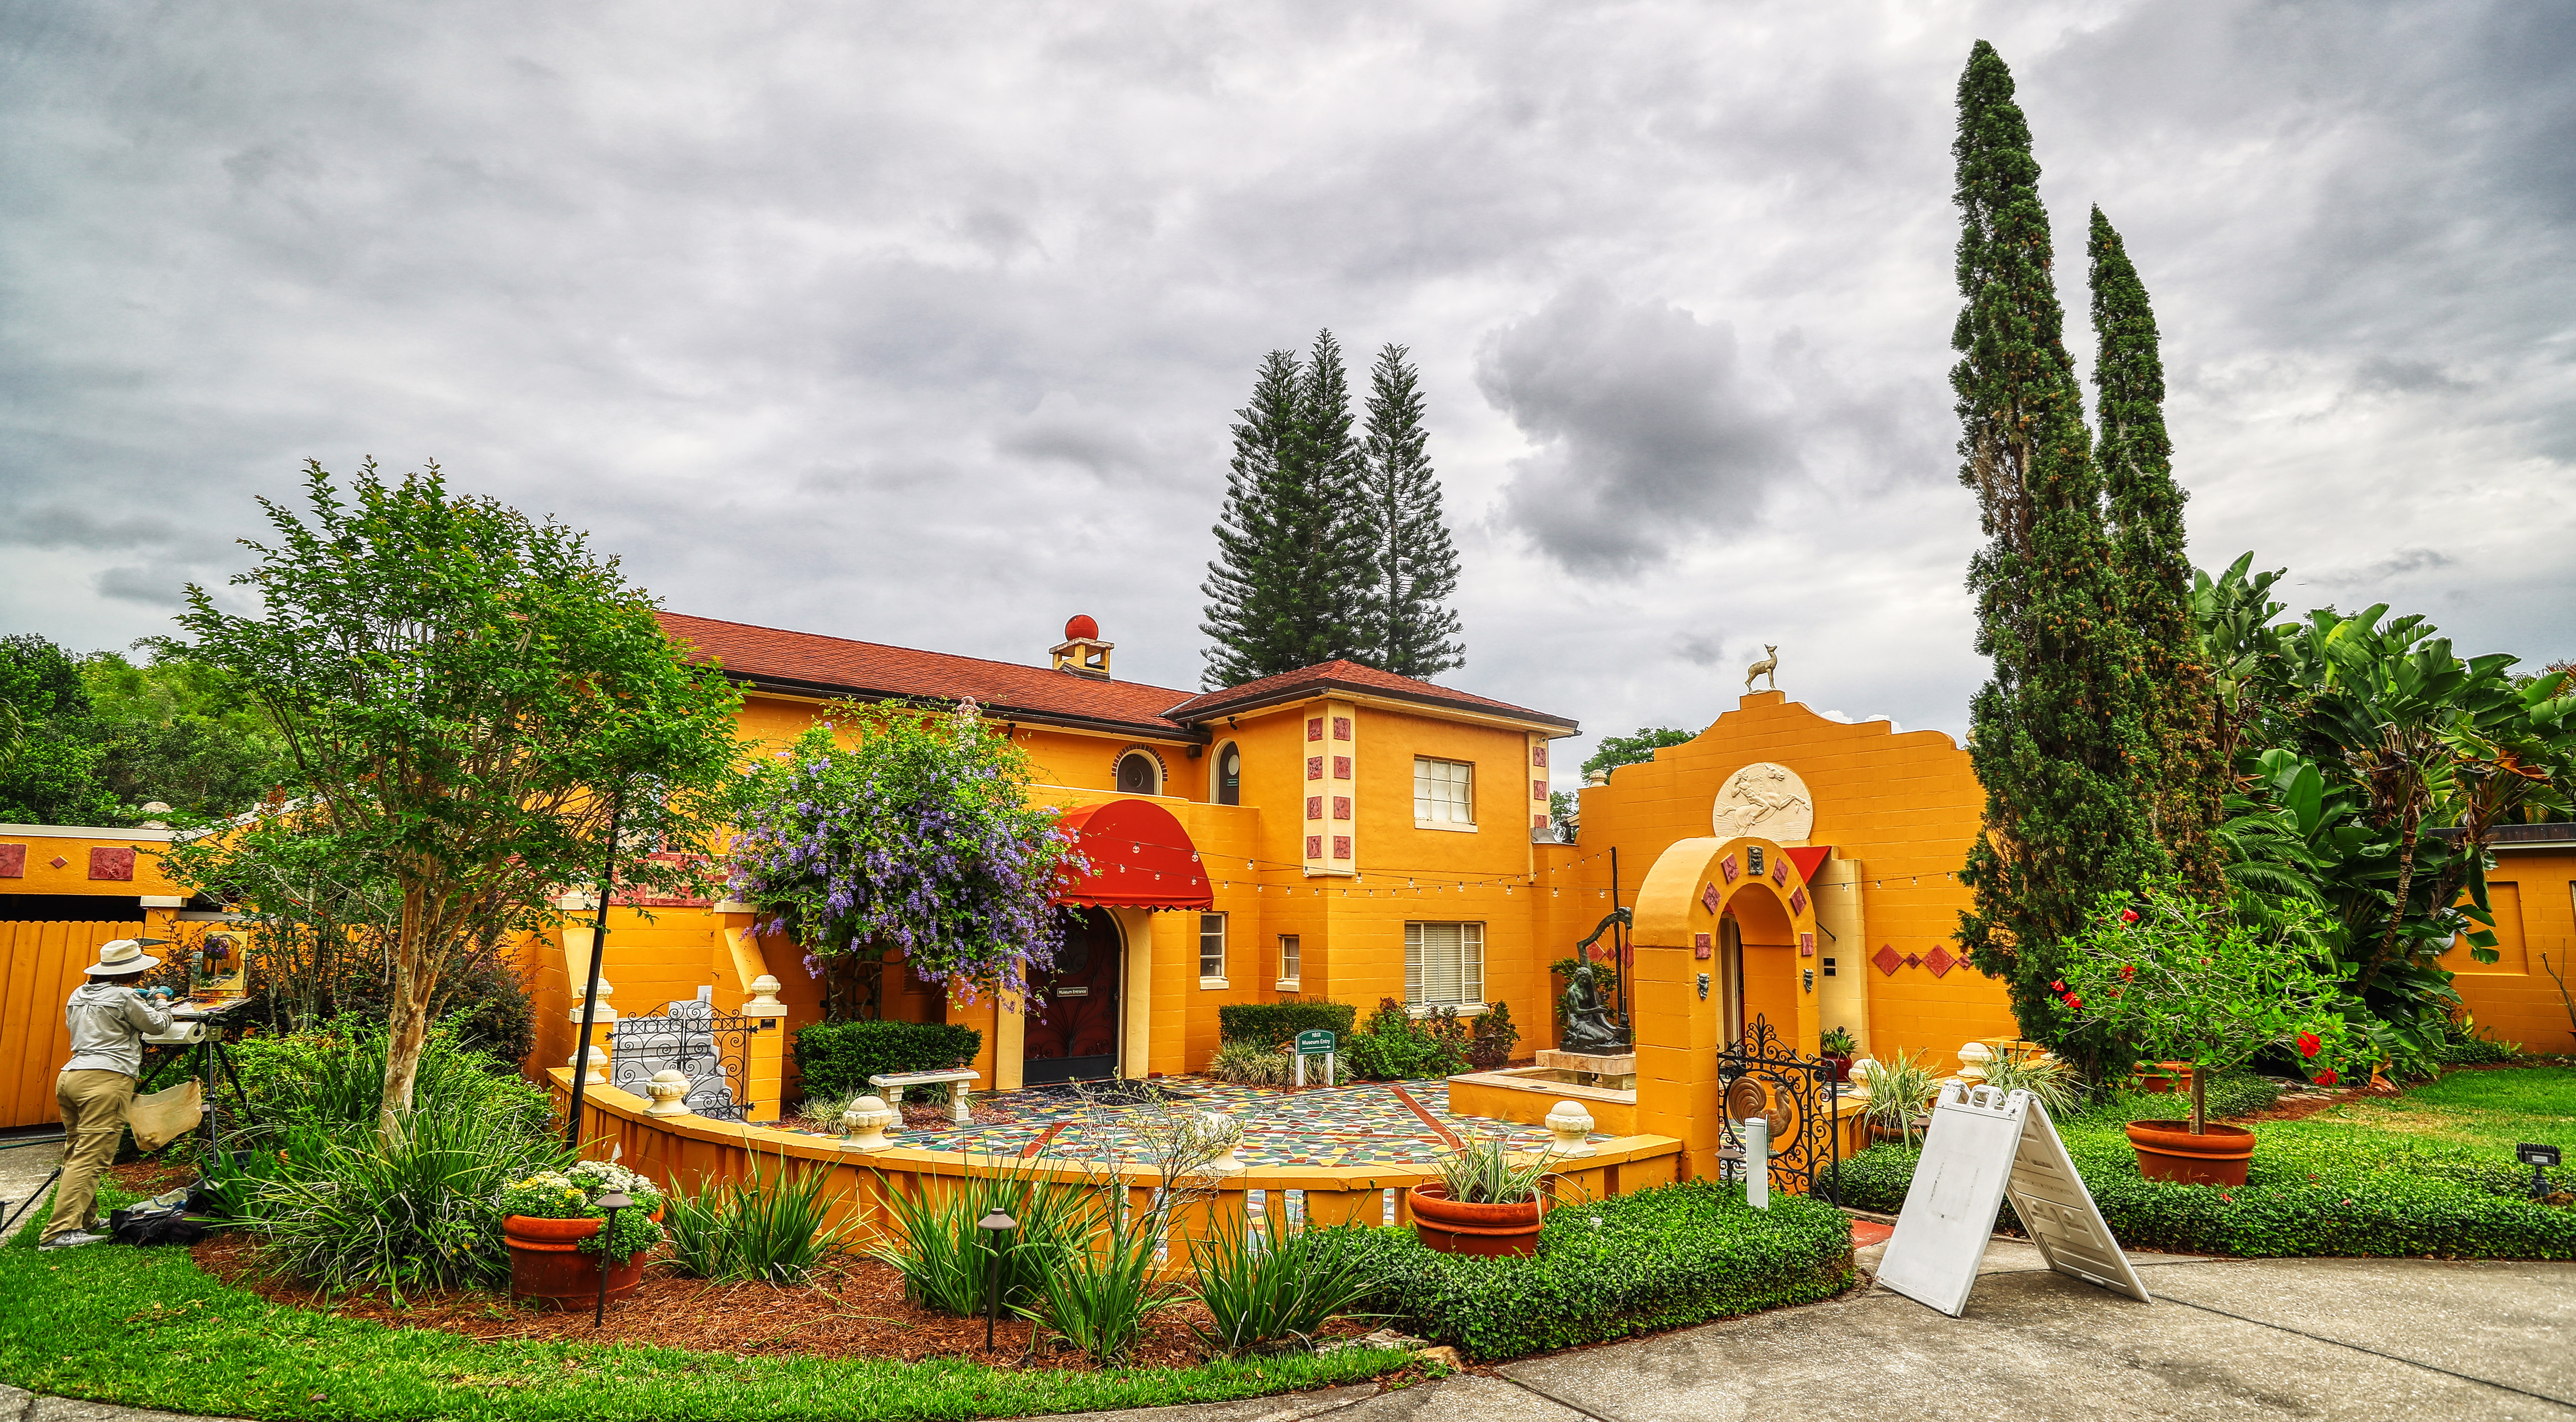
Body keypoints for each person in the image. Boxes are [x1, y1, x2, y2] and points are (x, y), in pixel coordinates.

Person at [41, 937, 174, 1250]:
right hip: (106, 1080)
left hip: (71, 1076)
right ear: (131, 972)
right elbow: (158, 1026)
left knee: (77, 1151)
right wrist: (160, 1000)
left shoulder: (79, 993)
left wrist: (136, 1001)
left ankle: (86, 1220)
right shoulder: (125, 996)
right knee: (92, 1157)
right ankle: (60, 1232)